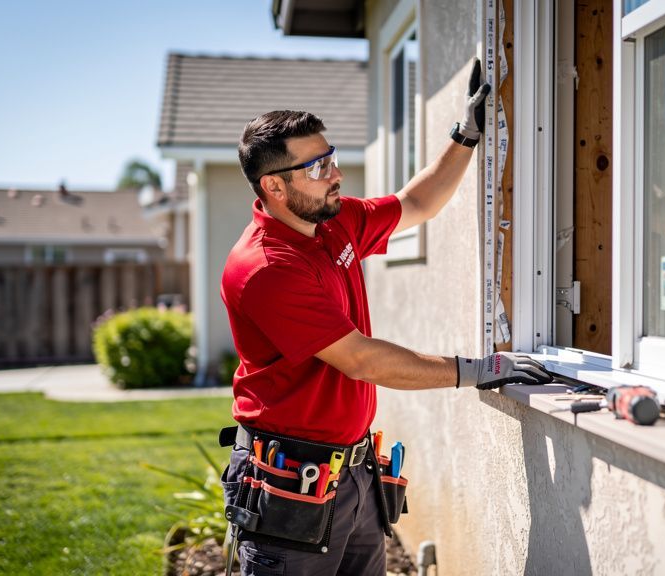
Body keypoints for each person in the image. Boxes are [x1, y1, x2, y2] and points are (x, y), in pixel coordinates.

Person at [219, 60, 551, 576]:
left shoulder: (332, 222)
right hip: (287, 482)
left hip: (351, 473)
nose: (336, 174)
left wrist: (466, 134)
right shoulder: (266, 268)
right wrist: (478, 371)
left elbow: (417, 201)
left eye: (330, 158)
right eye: (317, 167)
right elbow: (361, 360)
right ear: (274, 188)